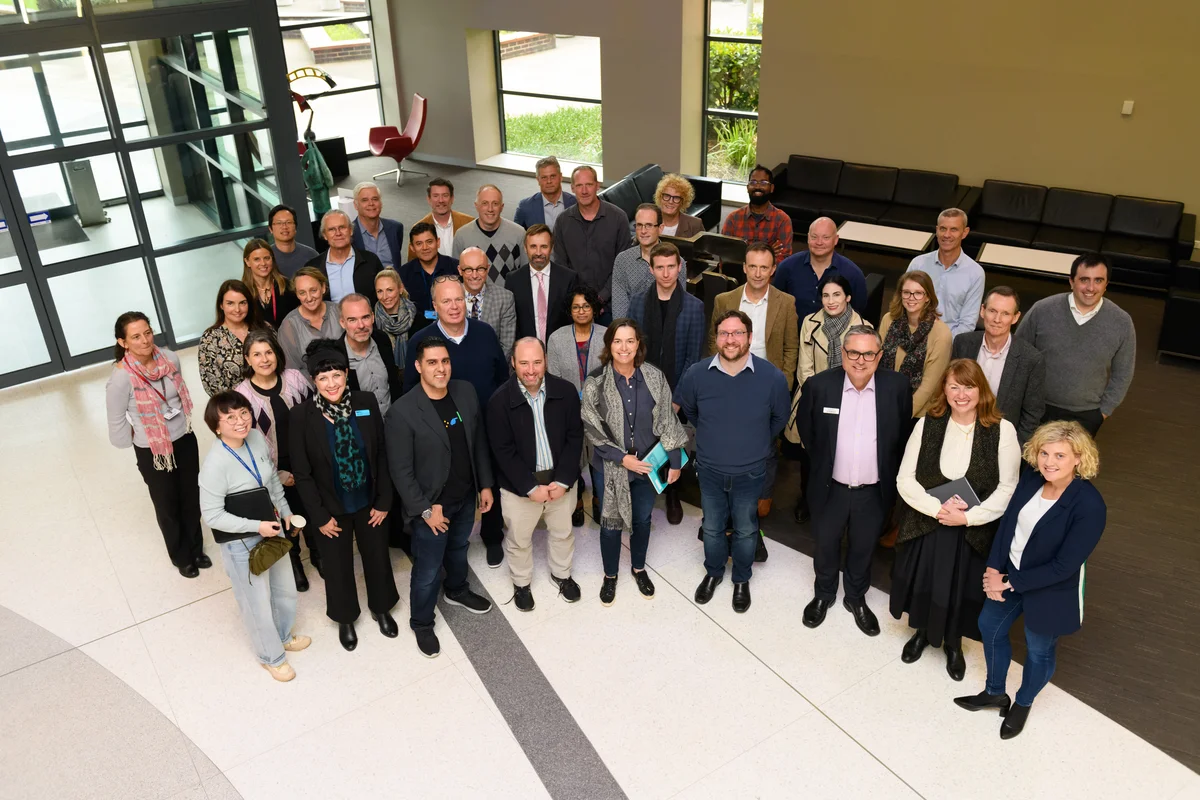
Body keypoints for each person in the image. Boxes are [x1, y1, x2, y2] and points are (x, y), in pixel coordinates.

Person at [955, 420, 1106, 740]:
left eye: (1060, 456)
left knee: (1039, 650)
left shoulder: (1090, 506)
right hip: (1009, 573)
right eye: (1044, 453)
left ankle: (1023, 703)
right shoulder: (1032, 479)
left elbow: (1064, 566)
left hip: (1052, 588)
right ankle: (995, 692)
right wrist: (994, 568)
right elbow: (1008, 524)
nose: (1049, 462)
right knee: (989, 627)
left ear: (1079, 458)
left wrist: (1008, 583)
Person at [892, 359, 1020, 680]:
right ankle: (921, 633)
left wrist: (968, 518)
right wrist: (937, 510)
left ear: (981, 390)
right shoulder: (926, 424)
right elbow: (905, 479)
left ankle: (953, 644)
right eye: (953, 386)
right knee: (926, 582)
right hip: (929, 524)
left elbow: (1008, 489)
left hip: (971, 531)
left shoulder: (1003, 431)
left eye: (968, 386)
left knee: (961, 589)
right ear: (944, 390)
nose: (961, 394)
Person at [796, 325, 913, 635]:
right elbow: (808, 433)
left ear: (880, 356)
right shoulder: (819, 386)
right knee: (825, 544)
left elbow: (901, 436)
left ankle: (856, 597)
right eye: (853, 353)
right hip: (829, 487)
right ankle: (823, 594)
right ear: (843, 355)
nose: (861, 360)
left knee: (863, 547)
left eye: (869, 353)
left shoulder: (898, 387)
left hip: (873, 492)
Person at [385, 337, 495, 658]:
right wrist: (423, 510)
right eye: (432, 362)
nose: (440, 368)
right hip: (432, 507)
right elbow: (401, 472)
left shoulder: (465, 392)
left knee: (460, 547)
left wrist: (484, 485)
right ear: (418, 366)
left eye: (444, 361)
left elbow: (477, 443)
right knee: (428, 569)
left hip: (464, 497)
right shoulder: (402, 413)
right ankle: (421, 622)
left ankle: (457, 589)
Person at [675, 311, 790, 613]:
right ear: (716, 338)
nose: (730, 339)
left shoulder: (772, 378)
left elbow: (779, 418)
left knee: (746, 528)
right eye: (724, 333)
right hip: (710, 469)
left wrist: (752, 442)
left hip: (751, 471)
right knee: (712, 527)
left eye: (738, 333)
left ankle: (741, 579)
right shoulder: (697, 374)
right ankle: (713, 573)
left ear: (750, 338)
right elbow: (691, 412)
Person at [289, 339, 399, 652]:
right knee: (336, 566)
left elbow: (380, 455)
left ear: (346, 374)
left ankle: (382, 608)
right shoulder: (301, 417)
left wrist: (383, 500)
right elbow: (303, 474)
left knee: (377, 557)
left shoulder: (365, 402)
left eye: (336, 375)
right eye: (323, 378)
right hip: (330, 507)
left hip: (369, 502)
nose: (331, 383)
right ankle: (345, 617)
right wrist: (319, 516)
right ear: (314, 381)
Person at [198, 391, 309, 682]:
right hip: (243, 541)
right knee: (256, 601)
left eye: (244, 412)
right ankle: (271, 657)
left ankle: (284, 635)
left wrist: (284, 512)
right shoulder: (214, 465)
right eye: (230, 417)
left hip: (272, 527)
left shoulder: (257, 438)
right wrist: (256, 526)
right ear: (216, 426)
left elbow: (272, 479)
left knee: (284, 589)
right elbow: (212, 515)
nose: (240, 421)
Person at [403, 276, 509, 565]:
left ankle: (492, 536)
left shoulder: (485, 333)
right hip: (445, 434)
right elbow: (410, 392)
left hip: (487, 425)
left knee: (491, 483)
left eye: (458, 299)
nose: (454, 306)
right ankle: (447, 543)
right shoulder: (420, 342)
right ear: (434, 305)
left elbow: (502, 379)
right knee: (450, 486)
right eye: (446, 301)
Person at [582, 319, 687, 606]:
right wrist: (622, 458)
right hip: (611, 466)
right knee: (610, 524)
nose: (624, 347)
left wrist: (675, 462)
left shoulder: (654, 377)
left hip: (648, 466)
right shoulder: (595, 382)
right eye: (617, 341)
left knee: (642, 519)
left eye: (630, 341)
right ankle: (610, 575)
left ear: (638, 344)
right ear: (609, 345)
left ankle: (638, 568)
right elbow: (591, 427)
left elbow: (668, 419)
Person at [105, 312, 205, 578]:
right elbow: (116, 421)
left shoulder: (170, 358)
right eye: (136, 336)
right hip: (153, 450)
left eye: (147, 332)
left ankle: (196, 548)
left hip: (183, 437)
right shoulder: (120, 377)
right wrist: (142, 438)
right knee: (166, 504)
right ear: (123, 342)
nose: (145, 340)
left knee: (191, 496)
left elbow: (178, 394)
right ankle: (181, 556)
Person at [487, 338, 584, 610]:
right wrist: (530, 487)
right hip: (520, 488)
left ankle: (562, 575)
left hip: (560, 483)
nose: (531, 370)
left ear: (546, 362)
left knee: (562, 533)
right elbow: (502, 451)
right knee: (519, 539)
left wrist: (563, 481)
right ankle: (521, 583)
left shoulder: (565, 392)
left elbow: (575, 438)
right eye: (524, 363)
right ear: (514, 364)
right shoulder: (498, 402)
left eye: (537, 362)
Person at [705, 241, 799, 519]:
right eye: (753, 266)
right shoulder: (725, 300)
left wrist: (783, 382)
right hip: (730, 380)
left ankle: (763, 494)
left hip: (767, 385)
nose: (758, 273)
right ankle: (727, 493)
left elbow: (791, 348)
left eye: (764, 267)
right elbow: (715, 340)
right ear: (744, 267)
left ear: (773, 270)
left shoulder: (786, 302)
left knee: (767, 445)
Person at [234, 330, 318, 592]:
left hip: (306, 461)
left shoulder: (294, 379)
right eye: (257, 354)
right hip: (271, 470)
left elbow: (314, 416)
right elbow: (244, 443)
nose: (264, 359)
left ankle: (318, 554)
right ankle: (294, 563)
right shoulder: (242, 394)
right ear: (248, 359)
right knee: (285, 517)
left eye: (268, 352)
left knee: (312, 509)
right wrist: (276, 474)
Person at [1014, 254, 1135, 436]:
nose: (1091, 288)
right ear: (1071, 282)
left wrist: (1103, 412)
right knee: (1028, 462)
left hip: (1086, 415)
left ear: (1106, 284)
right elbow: (1018, 354)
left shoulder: (1122, 322)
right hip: (1037, 407)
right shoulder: (1042, 310)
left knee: (1072, 464)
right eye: (1084, 280)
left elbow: (1123, 373)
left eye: (1098, 280)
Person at [784, 274, 869, 524]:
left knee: (841, 455)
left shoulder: (864, 328)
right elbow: (805, 369)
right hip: (814, 398)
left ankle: (834, 502)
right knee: (810, 456)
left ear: (848, 297)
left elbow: (863, 371)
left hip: (850, 400)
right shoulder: (810, 322)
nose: (830, 301)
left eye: (837, 295)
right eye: (825, 295)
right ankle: (807, 499)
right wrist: (820, 399)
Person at [629, 242, 704, 524]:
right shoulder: (638, 302)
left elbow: (693, 358)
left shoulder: (694, 307)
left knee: (674, 442)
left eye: (671, 266)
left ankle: (673, 492)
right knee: (643, 440)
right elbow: (632, 349)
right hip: (642, 386)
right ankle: (644, 491)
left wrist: (676, 399)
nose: (665, 273)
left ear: (680, 267)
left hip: (676, 389)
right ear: (650, 269)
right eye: (659, 267)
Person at [951, 286, 1045, 444]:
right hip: (958, 436)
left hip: (1001, 443)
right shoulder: (963, 343)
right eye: (992, 311)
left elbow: (1032, 416)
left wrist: (1014, 450)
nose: (997, 319)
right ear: (982, 311)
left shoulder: (1031, 359)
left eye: (1005, 313)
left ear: (1015, 318)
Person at [546, 285, 606, 527]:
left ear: (594, 309)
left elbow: (611, 373)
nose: (581, 311)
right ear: (569, 311)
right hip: (568, 411)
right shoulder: (557, 338)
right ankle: (576, 503)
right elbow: (555, 378)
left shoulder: (606, 335)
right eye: (576, 307)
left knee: (599, 458)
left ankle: (599, 500)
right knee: (571, 459)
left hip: (601, 410)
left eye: (586, 306)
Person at [553, 165, 631, 320]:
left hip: (609, 307)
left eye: (588, 184)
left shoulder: (618, 218)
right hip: (575, 308)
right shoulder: (563, 222)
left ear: (597, 185)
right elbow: (561, 266)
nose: (584, 191)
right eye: (579, 186)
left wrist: (600, 298)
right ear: (572, 188)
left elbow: (622, 266)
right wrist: (581, 302)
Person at [878, 270, 953, 418]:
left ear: (927, 297)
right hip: (883, 401)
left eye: (918, 293)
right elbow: (877, 360)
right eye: (906, 292)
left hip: (918, 413)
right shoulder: (889, 320)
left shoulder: (941, 334)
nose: (911, 298)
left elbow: (928, 386)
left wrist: (900, 416)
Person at [906, 208, 984, 338]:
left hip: (949, 343)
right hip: (913, 336)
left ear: (965, 233)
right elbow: (903, 304)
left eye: (953, 229)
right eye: (943, 229)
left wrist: (942, 345)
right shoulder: (918, 264)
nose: (946, 235)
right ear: (937, 230)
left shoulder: (975, 273)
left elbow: (967, 324)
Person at [774, 217, 868, 324]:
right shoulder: (787, 267)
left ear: (836, 240)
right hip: (794, 336)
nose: (819, 242)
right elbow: (776, 306)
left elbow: (858, 312)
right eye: (814, 237)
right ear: (808, 238)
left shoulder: (853, 274)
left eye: (826, 237)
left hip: (837, 338)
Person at [506, 224, 580, 343]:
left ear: (551, 247)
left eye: (544, 246)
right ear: (525, 248)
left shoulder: (568, 278)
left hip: (561, 349)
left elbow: (573, 320)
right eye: (533, 246)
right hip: (526, 352)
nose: (538, 252)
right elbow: (511, 322)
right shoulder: (513, 280)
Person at [610, 204, 686, 320]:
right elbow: (619, 307)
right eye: (639, 225)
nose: (643, 231)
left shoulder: (676, 262)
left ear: (660, 228)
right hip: (631, 330)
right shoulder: (623, 260)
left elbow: (679, 306)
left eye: (649, 225)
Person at [198, 279, 267, 396]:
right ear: (221, 305)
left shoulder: (264, 328)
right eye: (230, 303)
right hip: (236, 406)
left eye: (242, 303)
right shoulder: (210, 339)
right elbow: (212, 385)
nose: (237, 309)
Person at [338, 294, 402, 414]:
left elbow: (394, 383)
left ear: (373, 317)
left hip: (393, 420)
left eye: (365, 317)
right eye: (352, 320)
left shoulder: (382, 340)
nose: (361, 326)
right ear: (342, 322)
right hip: (363, 427)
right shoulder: (337, 355)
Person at [452, 185, 528, 286]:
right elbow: (457, 277)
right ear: (476, 206)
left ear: (502, 207)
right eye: (485, 203)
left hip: (509, 300)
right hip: (474, 300)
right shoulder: (462, 236)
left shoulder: (519, 233)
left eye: (495, 204)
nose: (490, 209)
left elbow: (526, 274)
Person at [304, 210, 384, 303]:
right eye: (331, 229)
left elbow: (384, 294)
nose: (338, 233)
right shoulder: (313, 267)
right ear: (325, 235)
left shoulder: (371, 260)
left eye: (342, 227)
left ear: (350, 230)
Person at [277, 267, 343, 378]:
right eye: (302, 293)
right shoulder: (289, 325)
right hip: (309, 388)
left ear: (323, 288)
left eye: (313, 290)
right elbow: (292, 370)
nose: (309, 298)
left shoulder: (339, 311)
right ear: (297, 294)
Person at [721, 165, 793, 262]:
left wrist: (743, 252)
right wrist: (768, 251)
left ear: (771, 188)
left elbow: (783, 259)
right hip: (738, 274)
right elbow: (725, 255)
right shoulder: (733, 219)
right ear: (747, 188)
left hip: (770, 276)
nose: (758, 187)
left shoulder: (782, 220)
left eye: (763, 183)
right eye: (753, 182)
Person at [398, 222, 459, 336]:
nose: (425, 248)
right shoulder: (403, 274)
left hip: (452, 332)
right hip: (417, 336)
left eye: (429, 242)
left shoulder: (455, 269)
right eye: (419, 243)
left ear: (438, 242)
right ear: (412, 247)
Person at [459, 246, 517, 357]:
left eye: (480, 268)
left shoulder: (505, 298)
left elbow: (507, 346)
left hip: (494, 368)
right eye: (468, 269)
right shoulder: (450, 296)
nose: (474, 275)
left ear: (488, 269)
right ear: (460, 270)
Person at [407, 177, 474, 260]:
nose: (441, 200)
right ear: (429, 199)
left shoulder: (469, 223)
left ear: (452, 198)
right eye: (436, 196)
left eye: (445, 195)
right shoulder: (417, 229)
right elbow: (413, 262)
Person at [241, 238, 299, 331]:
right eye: (257, 259)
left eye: (266, 258)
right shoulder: (242, 292)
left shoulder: (287, 286)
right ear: (247, 262)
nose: (263, 263)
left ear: (272, 259)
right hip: (259, 344)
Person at [514, 155, 577, 230]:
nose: (549, 181)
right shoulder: (525, 207)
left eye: (553, 176)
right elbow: (516, 238)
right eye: (544, 177)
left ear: (560, 177)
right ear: (538, 180)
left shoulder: (576, 203)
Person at [351, 181, 403, 269]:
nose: (371, 203)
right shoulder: (349, 234)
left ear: (381, 203)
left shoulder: (395, 228)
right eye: (364, 200)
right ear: (356, 205)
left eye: (375, 199)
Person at [373, 268, 417, 370]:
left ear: (400, 289)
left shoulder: (417, 319)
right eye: (380, 291)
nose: (385, 297)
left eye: (390, 290)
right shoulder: (371, 320)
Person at [268, 204, 318, 279]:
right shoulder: (265, 257)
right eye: (279, 223)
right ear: (270, 229)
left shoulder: (311, 255)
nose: (284, 227)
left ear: (295, 227)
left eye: (289, 222)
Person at [654, 173, 704, 237]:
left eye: (676, 198)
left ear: (682, 202)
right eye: (666, 196)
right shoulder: (649, 221)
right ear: (660, 197)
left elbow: (704, 246)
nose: (670, 201)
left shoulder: (695, 224)